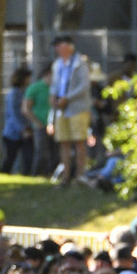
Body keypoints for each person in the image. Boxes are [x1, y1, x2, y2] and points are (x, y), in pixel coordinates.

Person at [48, 36, 93, 186]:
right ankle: (65, 176)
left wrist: (67, 98)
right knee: (64, 143)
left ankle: (80, 175)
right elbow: (55, 84)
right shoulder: (57, 64)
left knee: (79, 142)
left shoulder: (80, 63)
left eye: (60, 45)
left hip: (77, 108)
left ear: (69, 46)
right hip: (61, 110)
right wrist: (54, 96)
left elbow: (84, 86)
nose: (57, 49)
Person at [1, 67, 34, 175]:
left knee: (28, 156)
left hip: (24, 130)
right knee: (10, 157)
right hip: (12, 133)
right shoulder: (14, 94)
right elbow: (13, 115)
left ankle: (27, 175)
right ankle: (4, 175)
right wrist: (23, 129)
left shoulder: (24, 92)